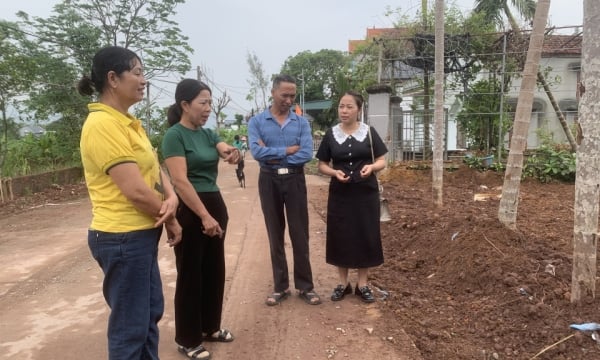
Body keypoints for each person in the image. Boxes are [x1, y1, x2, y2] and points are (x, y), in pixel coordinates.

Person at [78, 45, 182, 360]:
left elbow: (153, 165)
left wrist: (172, 194)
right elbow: (135, 191)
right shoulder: (102, 126)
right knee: (130, 328)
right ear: (113, 78)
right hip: (122, 238)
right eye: (137, 72)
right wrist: (172, 218)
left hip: (140, 234)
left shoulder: (127, 122)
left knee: (149, 314)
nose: (144, 79)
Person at [161, 78, 240, 360]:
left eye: (209, 103)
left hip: (214, 204)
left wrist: (233, 153)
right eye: (202, 103)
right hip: (191, 210)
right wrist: (204, 216)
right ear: (185, 105)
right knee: (191, 274)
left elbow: (222, 147)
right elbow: (180, 182)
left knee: (214, 270)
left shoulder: (207, 134)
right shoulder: (174, 135)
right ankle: (187, 338)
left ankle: (210, 327)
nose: (208, 108)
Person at [248, 74, 321, 306]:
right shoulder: (257, 122)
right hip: (268, 181)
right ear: (273, 92)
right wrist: (287, 150)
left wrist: (273, 153)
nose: (289, 100)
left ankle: (305, 286)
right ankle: (280, 286)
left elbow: (306, 154)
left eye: (292, 96)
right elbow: (256, 153)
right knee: (274, 232)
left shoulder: (301, 123)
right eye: (284, 95)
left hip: (295, 181)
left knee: (300, 233)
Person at [315, 91, 387, 303]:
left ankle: (362, 284)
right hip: (340, 194)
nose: (344, 111)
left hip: (366, 194)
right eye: (341, 106)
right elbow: (321, 165)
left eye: (349, 107)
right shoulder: (331, 134)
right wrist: (334, 173)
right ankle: (342, 283)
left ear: (359, 110)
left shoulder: (369, 132)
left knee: (365, 234)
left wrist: (371, 167)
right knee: (341, 234)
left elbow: (382, 160)